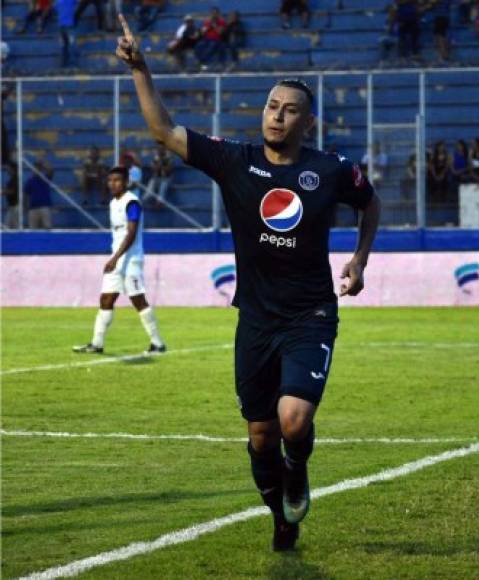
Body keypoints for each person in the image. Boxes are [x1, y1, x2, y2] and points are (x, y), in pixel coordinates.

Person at [116, 14, 381, 552]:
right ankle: (281, 517)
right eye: (271, 106)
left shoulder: (331, 171)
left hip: (310, 313)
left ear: (308, 123)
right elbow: (163, 132)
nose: (276, 117)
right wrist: (142, 69)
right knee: (260, 434)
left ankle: (298, 468)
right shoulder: (235, 161)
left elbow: (369, 202)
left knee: (292, 418)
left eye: (289, 111)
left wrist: (359, 259)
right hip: (256, 318)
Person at [73, 165, 166, 355]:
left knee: (137, 299)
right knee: (106, 298)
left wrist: (115, 258)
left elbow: (131, 234)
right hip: (116, 258)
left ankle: (157, 344)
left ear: (126, 182)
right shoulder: (113, 203)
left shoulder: (132, 202)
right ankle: (96, 344)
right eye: (110, 180)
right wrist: (114, 257)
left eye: (117, 180)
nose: (112, 184)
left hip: (130, 260)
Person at [25, 159, 53, 229]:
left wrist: (43, 163)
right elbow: (26, 195)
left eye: (37, 168)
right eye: (34, 168)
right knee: (32, 230)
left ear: (41, 169)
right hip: (33, 208)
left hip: (44, 207)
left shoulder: (45, 178)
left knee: (47, 228)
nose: (35, 170)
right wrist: (26, 207)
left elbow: (51, 170)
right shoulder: (30, 181)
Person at [56, 0, 78, 68]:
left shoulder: (58, 1)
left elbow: (56, 8)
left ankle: (62, 65)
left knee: (63, 45)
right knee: (72, 45)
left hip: (60, 26)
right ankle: (73, 65)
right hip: (69, 26)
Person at [3, 162, 20, 229]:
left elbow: (12, 191)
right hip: (12, 206)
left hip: (15, 206)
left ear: (12, 169)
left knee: (12, 226)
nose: (7, 170)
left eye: (8, 168)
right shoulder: (12, 179)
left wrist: (2, 192)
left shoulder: (15, 179)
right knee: (8, 226)